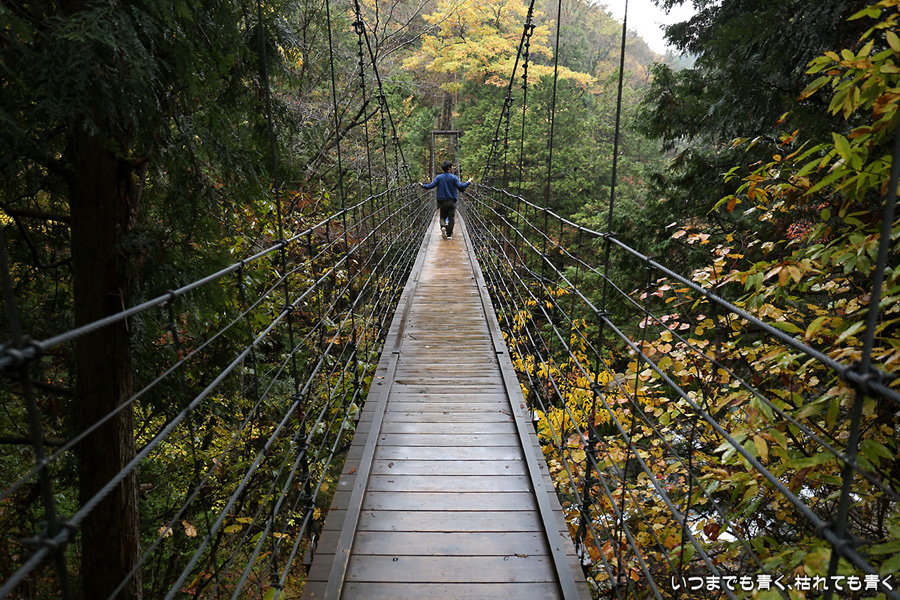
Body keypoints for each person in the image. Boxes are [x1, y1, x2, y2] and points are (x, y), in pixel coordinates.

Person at [420, 160, 472, 240]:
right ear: (450, 168)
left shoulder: (439, 177)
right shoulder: (454, 177)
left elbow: (431, 185)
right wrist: (468, 182)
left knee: (442, 217)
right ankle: (449, 234)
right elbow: (460, 187)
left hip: (442, 201)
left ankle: (443, 227)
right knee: (451, 218)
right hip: (452, 201)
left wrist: (423, 186)